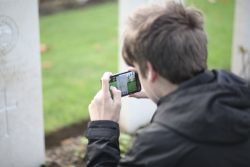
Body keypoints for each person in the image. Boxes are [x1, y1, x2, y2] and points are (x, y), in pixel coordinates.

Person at [85, 2, 250, 167]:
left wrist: (102, 131)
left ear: (149, 71)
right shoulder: (241, 90)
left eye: (136, 66)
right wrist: (163, 97)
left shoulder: (158, 144)